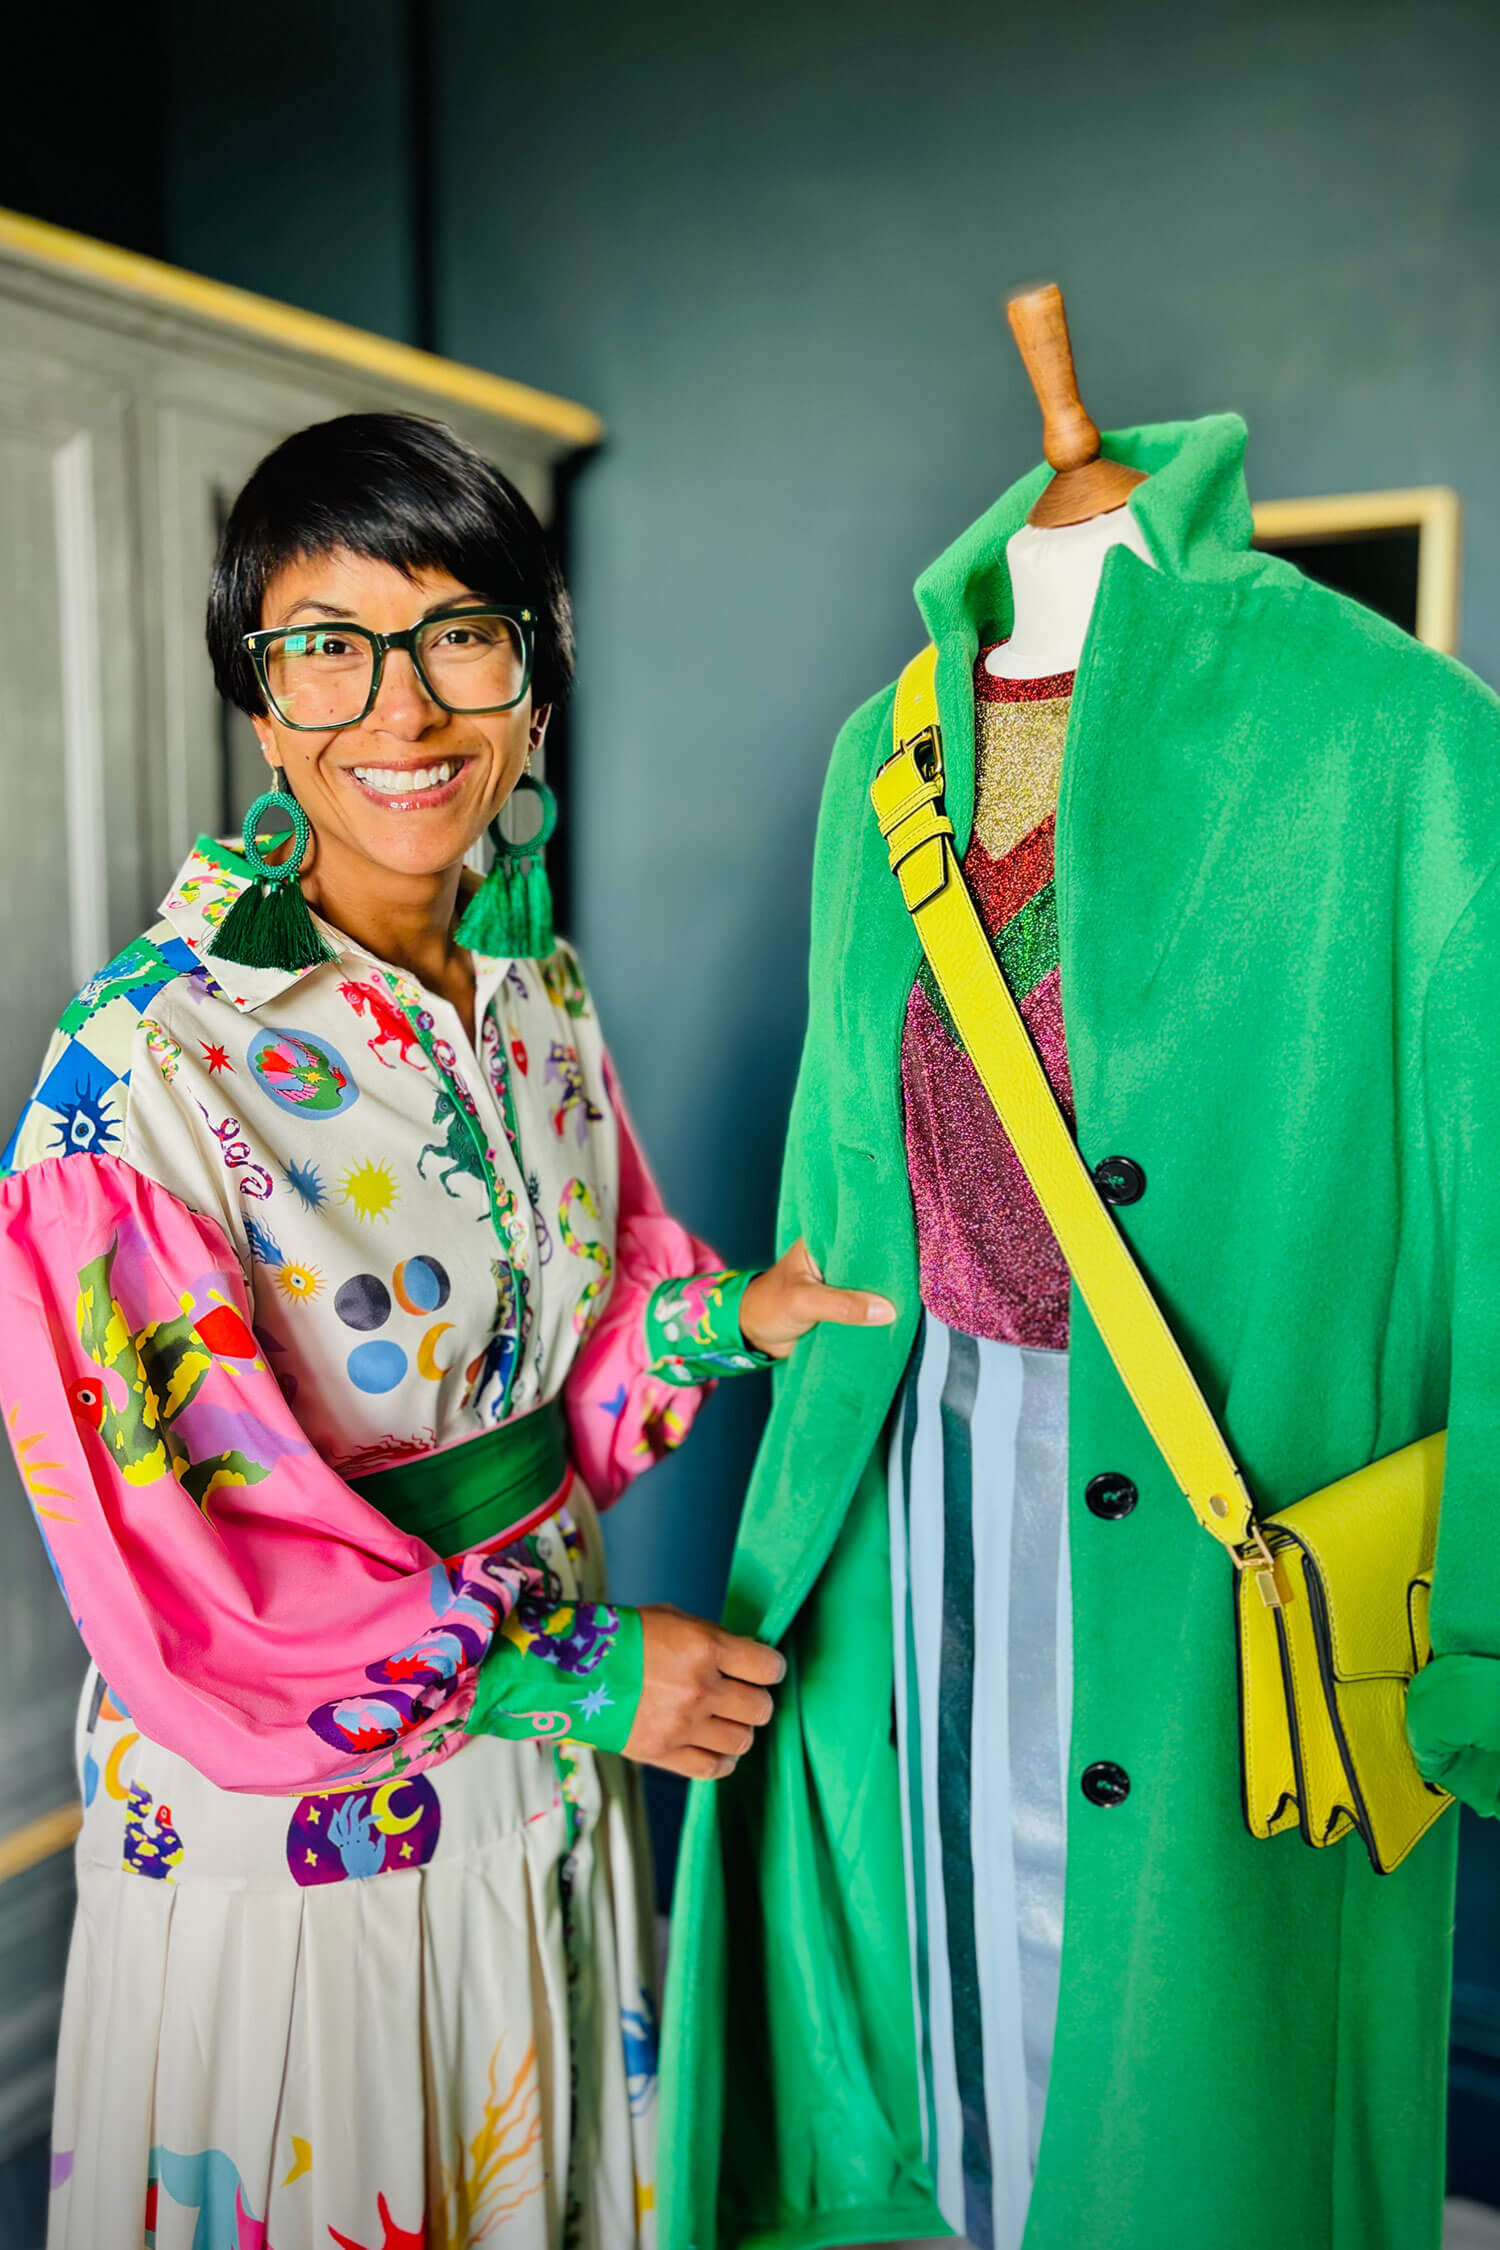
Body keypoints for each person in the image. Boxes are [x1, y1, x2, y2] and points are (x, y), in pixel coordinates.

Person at [0, 411, 892, 2250]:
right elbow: (184, 1556)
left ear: (536, 685)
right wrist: (574, 1671)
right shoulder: (139, 1072)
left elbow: (579, 1310)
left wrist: (732, 1311)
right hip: (311, 1828)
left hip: (541, 1775)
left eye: (459, 636)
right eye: (326, 646)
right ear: (263, 705)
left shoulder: (532, 993)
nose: (398, 712)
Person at [661, 411, 1500, 2250]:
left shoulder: (1400, 737)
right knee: (935, 1976)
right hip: (903, 1494)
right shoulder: (874, 757)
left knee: (1170, 2052)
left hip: (1226, 1522)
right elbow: (833, 1154)